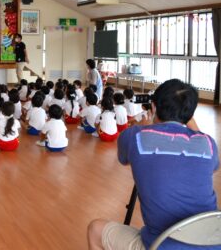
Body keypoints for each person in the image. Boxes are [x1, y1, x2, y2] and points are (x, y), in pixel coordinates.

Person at [87, 79, 218, 250]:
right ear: (190, 113)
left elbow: (123, 159)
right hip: (214, 242)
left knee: (95, 230)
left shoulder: (135, 136)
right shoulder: (208, 143)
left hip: (161, 245)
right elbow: (213, 165)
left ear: (154, 107)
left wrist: (143, 126)